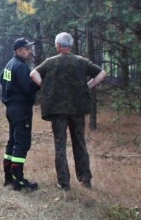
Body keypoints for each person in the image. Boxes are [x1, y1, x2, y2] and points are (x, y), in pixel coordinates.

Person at [30, 32, 106, 191]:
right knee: (80, 143)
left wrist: (45, 86)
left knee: (60, 145)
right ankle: (85, 179)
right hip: (78, 109)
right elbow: (102, 73)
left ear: (58, 46)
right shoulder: (82, 62)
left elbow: (33, 74)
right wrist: (88, 86)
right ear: (70, 45)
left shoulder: (50, 62)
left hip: (57, 111)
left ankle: (63, 183)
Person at [0, 38, 40, 191]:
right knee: (22, 143)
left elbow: (2, 80)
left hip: (11, 108)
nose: (29, 51)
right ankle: (18, 180)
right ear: (18, 50)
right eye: (26, 48)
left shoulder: (10, 64)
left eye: (29, 48)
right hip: (21, 108)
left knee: (13, 141)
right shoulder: (21, 66)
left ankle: (8, 177)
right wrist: (39, 83)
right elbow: (29, 88)